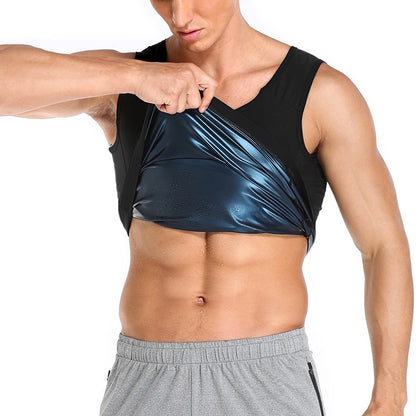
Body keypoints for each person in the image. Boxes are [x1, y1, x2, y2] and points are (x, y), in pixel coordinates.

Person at [0, 1, 413, 415]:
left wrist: (390, 398)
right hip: (147, 377)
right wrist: (135, 75)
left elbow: (382, 245)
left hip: (267, 379)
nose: (180, 16)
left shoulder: (322, 95)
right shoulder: (125, 84)